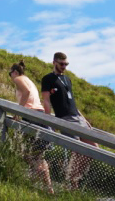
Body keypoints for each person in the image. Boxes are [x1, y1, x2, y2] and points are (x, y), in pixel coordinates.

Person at [40, 51, 96, 186]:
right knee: (77, 149)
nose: (64, 66)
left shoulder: (67, 79)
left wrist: (83, 118)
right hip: (64, 118)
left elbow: (71, 101)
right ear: (54, 62)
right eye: (61, 64)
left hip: (77, 117)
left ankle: (74, 178)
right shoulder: (48, 79)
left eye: (66, 64)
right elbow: (46, 100)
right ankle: (72, 182)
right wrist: (48, 120)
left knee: (93, 147)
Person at [10, 61, 54, 193]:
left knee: (26, 153)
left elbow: (27, 92)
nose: (10, 77)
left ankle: (33, 184)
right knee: (39, 156)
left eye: (10, 73)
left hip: (31, 116)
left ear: (15, 72)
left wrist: (18, 111)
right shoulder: (29, 79)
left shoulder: (18, 79)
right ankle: (48, 188)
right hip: (40, 115)